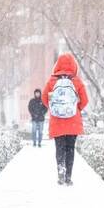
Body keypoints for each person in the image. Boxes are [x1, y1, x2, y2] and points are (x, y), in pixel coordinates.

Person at [41, 53, 88, 186]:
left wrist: (54, 108)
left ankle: (60, 173)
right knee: (70, 149)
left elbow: (45, 99)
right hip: (73, 122)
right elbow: (85, 100)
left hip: (57, 122)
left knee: (59, 148)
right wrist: (76, 108)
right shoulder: (77, 81)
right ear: (74, 66)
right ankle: (68, 177)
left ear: (57, 66)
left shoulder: (51, 81)